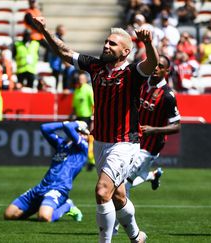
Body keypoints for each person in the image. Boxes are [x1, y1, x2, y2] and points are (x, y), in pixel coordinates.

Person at [31, 16, 158, 243]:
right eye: (106, 42)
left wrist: (148, 44)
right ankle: (137, 236)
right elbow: (64, 51)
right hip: (100, 141)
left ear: (126, 51)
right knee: (118, 196)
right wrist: (45, 30)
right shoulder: (95, 66)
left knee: (101, 192)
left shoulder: (132, 73)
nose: (106, 46)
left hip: (124, 143)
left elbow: (152, 64)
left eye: (112, 44)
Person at [4, 120, 90, 222]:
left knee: (44, 217)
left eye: (85, 134)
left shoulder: (83, 147)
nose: (83, 136)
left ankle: (67, 205)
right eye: (80, 132)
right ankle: (40, 205)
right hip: (42, 187)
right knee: (9, 215)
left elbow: (68, 128)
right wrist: (66, 124)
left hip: (58, 189)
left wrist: (76, 124)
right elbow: (44, 128)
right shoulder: (61, 144)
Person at [126, 55, 181, 194]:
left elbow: (177, 126)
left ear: (167, 72)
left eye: (161, 67)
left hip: (151, 144)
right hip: (132, 137)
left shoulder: (168, 95)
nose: (156, 68)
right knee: (122, 176)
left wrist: (153, 130)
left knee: (124, 182)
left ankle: (120, 213)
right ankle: (152, 175)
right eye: (155, 65)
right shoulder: (142, 82)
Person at [71, 71, 95, 171]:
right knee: (78, 139)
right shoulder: (77, 90)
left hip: (87, 118)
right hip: (79, 118)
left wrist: (93, 118)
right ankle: (80, 160)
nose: (80, 81)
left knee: (89, 139)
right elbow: (74, 106)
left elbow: (93, 104)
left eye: (82, 79)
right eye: (79, 79)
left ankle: (91, 161)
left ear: (85, 79)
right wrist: (72, 115)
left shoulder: (88, 90)